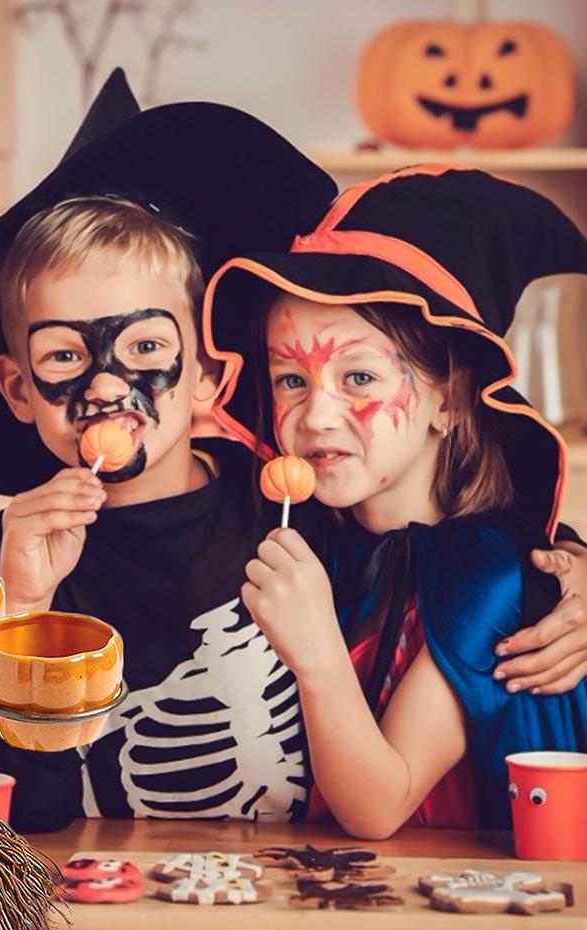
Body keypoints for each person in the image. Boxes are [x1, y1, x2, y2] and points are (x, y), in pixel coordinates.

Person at [0, 74, 587, 833]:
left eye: (146, 347)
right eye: (65, 356)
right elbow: (4, 814)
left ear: (210, 370)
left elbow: (453, 552)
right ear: (19, 387)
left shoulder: (294, 504)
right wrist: (23, 610)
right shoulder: (5, 556)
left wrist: (568, 572)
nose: (106, 385)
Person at [205, 164, 587, 836]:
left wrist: (317, 652)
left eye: (359, 377)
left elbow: (380, 806)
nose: (315, 416)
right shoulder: (318, 538)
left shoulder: (487, 572)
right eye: (291, 380)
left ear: (452, 399)